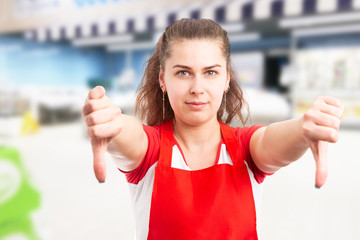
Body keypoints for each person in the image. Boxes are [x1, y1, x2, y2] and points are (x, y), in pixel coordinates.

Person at [82, 19, 344, 240]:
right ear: (163, 79)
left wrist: (302, 128)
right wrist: (113, 125)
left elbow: (271, 143)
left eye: (210, 72)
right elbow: (132, 135)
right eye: (183, 73)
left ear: (226, 79)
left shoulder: (246, 149)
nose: (197, 88)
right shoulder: (150, 150)